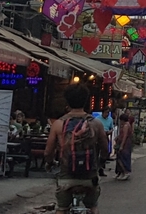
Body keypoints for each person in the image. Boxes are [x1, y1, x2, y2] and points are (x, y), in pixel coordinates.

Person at [45, 86, 106, 214]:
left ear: (67, 102)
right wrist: (100, 163)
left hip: (66, 176)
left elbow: (48, 152)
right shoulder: (96, 123)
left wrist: (49, 163)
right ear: (86, 101)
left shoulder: (58, 124)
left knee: (62, 208)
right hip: (90, 177)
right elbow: (105, 148)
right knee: (93, 206)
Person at [113, 113, 134, 181]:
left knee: (122, 158)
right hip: (126, 143)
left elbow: (124, 136)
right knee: (122, 157)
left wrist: (121, 145)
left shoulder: (125, 126)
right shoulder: (127, 125)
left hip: (125, 144)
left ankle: (125, 172)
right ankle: (122, 172)